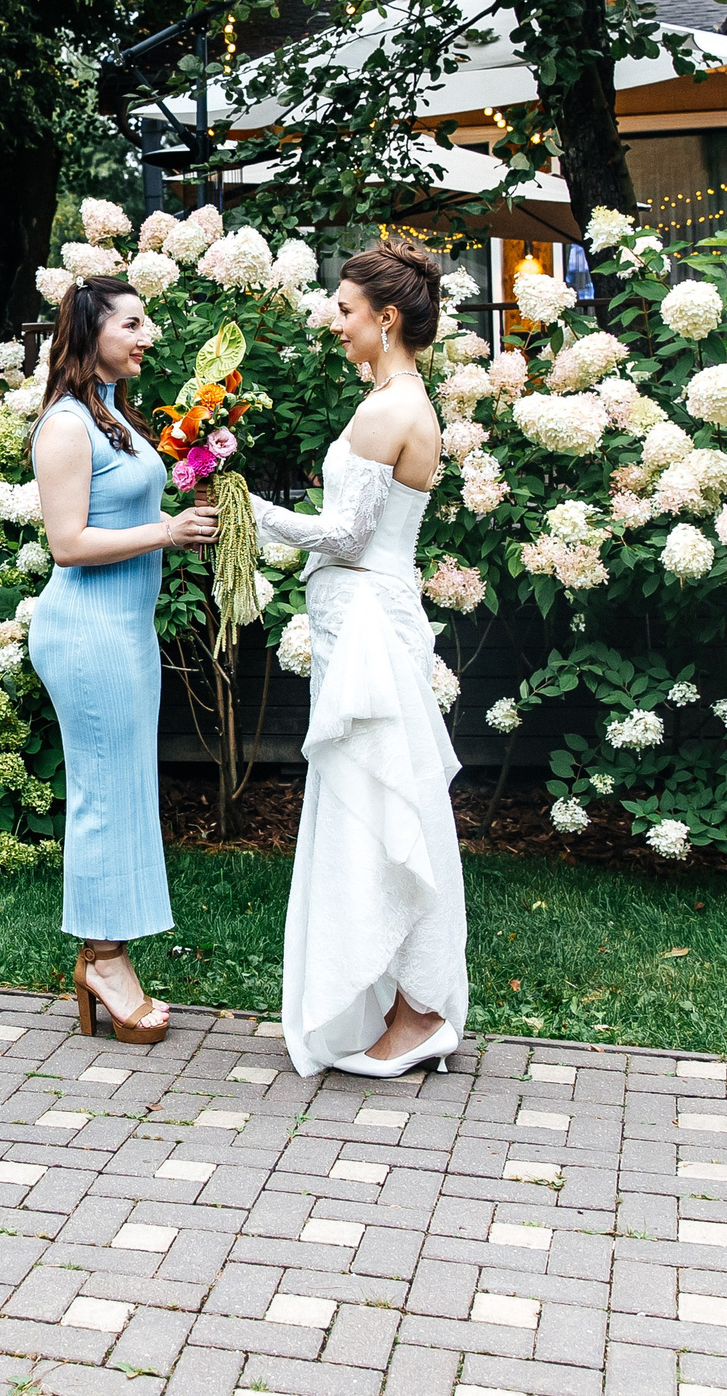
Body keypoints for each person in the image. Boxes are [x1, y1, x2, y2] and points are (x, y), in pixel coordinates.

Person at [247, 237, 468, 1079]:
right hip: (367, 621)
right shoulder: (398, 398)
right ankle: (403, 1002)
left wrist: (252, 509)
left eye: (343, 311)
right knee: (380, 806)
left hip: (370, 624)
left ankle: (416, 1013)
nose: (332, 322)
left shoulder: (390, 409)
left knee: (382, 809)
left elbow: (347, 536)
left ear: (385, 318)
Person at [30, 275, 218, 1044]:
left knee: (122, 792)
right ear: (90, 330)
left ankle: (106, 950)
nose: (149, 336)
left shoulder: (112, 414)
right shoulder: (67, 426)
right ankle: (104, 962)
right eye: (133, 324)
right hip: (87, 632)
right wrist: (167, 533)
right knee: (104, 797)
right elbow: (68, 544)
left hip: (124, 631)